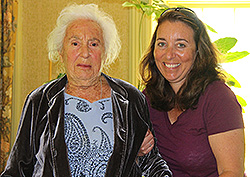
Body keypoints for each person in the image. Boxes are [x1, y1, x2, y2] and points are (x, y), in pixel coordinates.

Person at [1, 3, 172, 177]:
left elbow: (151, 163)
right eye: (75, 43)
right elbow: (17, 169)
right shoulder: (40, 100)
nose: (85, 53)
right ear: (61, 51)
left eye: (94, 44)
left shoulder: (130, 98)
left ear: (105, 53)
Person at [140, 7, 245, 177]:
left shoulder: (218, 98)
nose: (169, 54)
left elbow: (232, 172)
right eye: (162, 44)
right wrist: (137, 151)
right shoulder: (148, 97)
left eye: (180, 45)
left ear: (197, 52)